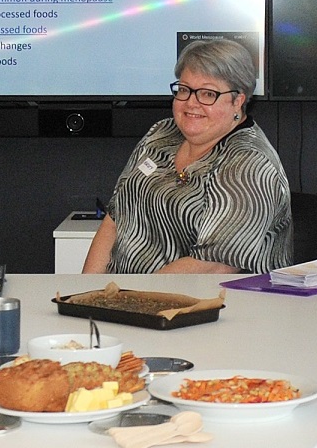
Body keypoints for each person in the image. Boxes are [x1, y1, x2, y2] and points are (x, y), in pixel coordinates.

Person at [84, 37, 293, 274]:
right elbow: (115, 220)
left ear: (238, 100)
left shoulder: (249, 163)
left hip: (212, 304)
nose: (191, 103)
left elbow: (213, 266)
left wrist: (129, 300)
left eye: (207, 94)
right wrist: (89, 292)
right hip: (125, 299)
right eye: (184, 90)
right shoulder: (161, 134)